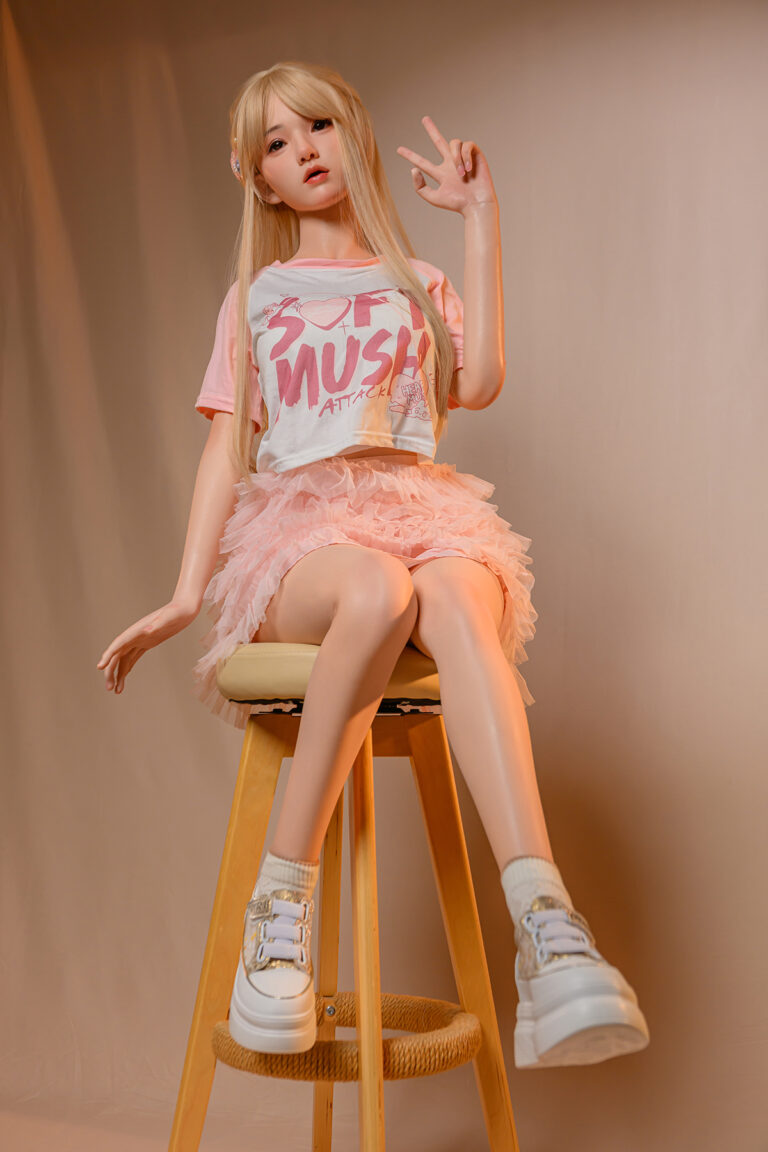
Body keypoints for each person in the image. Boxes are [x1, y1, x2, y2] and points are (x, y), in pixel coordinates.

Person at [96, 60, 649, 1070]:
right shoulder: (257, 298)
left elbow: (477, 384)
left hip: (420, 509)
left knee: (456, 593)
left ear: (350, 134)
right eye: (276, 142)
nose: (303, 150)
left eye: (317, 125)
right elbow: (225, 448)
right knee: (376, 586)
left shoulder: (416, 284)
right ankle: (280, 911)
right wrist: (182, 595)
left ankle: (548, 931)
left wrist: (479, 220)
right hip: (305, 533)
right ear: (258, 178)